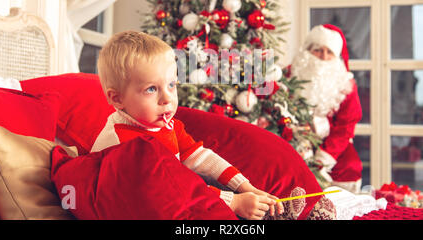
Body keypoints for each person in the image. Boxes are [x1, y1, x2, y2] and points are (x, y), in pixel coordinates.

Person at [90, 30, 293, 220]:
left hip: (174, 191)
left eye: (171, 85)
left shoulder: (166, 124)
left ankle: (276, 209)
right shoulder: (124, 143)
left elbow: (197, 156)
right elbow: (170, 190)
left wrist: (244, 187)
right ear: (117, 99)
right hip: (143, 207)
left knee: (207, 179)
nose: (167, 98)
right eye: (151, 89)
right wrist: (234, 202)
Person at [291, 24, 363, 193]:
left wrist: (323, 158)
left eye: (329, 52)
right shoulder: (291, 74)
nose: (323, 57)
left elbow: (346, 126)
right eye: (318, 50)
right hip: (293, 138)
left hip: (331, 144)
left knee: (350, 165)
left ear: (336, 57)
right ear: (308, 51)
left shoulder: (345, 84)